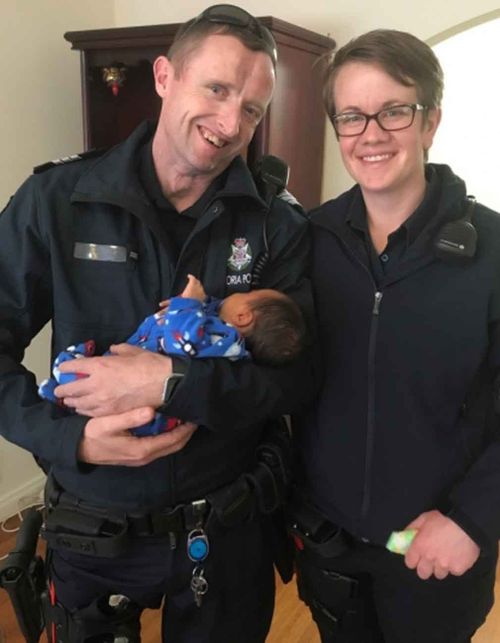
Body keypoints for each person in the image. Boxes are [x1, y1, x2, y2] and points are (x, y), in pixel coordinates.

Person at [0, 5, 313, 642]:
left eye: (252, 109)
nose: (231, 125)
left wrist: (169, 380)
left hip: (226, 529)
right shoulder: (59, 199)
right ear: (165, 76)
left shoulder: (276, 224)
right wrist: (70, 441)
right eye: (217, 89)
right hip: (94, 528)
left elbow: (298, 379)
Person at [292, 29, 500, 643]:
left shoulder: (494, 250)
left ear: (430, 120)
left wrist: (474, 518)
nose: (371, 134)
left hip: (437, 545)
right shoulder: (310, 240)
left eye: (394, 111)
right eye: (352, 116)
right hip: (329, 542)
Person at [39, 274, 306, 435]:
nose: (237, 293)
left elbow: (183, 344)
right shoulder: (221, 332)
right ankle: (60, 393)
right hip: (133, 391)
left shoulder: (226, 339)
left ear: (243, 317)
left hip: (145, 409)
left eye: (247, 293)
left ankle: (63, 377)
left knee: (77, 373)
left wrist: (188, 303)